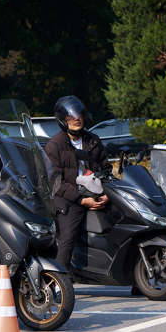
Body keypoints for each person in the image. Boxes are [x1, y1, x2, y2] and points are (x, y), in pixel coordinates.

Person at [44, 96, 112, 272]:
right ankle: (59, 282)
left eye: (78, 114)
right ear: (61, 120)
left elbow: (106, 169)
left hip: (95, 192)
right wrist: (82, 200)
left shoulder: (93, 140)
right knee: (68, 237)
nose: (75, 119)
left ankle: (136, 278)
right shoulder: (54, 146)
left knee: (127, 219)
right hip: (69, 197)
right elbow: (55, 182)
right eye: (69, 116)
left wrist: (107, 193)